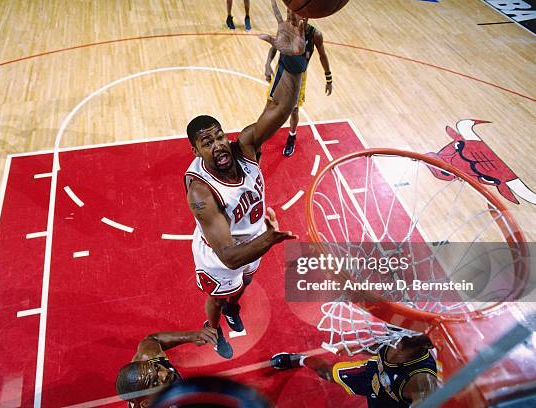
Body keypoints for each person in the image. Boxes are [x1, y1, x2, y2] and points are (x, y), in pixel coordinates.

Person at [185, 0, 306, 359]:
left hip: (251, 240)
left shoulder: (245, 148)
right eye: (207, 143)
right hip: (221, 255)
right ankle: (213, 328)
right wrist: (269, 239)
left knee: (246, 284)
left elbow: (279, 109)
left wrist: (294, 61)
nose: (219, 145)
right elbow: (229, 256)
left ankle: (234, 305)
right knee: (219, 296)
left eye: (219, 136)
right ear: (196, 152)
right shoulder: (201, 192)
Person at [271, 335, 439, 407]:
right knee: (327, 373)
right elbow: (380, 346)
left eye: (415, 336)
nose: (405, 337)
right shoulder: (399, 335)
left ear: (428, 344)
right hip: (372, 374)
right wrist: (358, 348)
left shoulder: (421, 380)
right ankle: (300, 359)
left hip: (389, 402)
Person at [264, 9, 332, 157]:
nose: (291, 15)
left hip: (299, 75)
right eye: (289, 12)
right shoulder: (287, 27)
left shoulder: (315, 34)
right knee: (270, 104)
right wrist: (267, 65)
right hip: (281, 70)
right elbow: (274, 46)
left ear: (306, 15)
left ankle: (291, 136)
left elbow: (323, 56)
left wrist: (329, 78)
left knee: (294, 110)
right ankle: (264, 131)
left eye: (294, 13)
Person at [116, 327, 218, 407]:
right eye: (155, 382)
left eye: (156, 367)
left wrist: (192, 336)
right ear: (146, 403)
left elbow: (153, 339)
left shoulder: (149, 358)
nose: (165, 374)